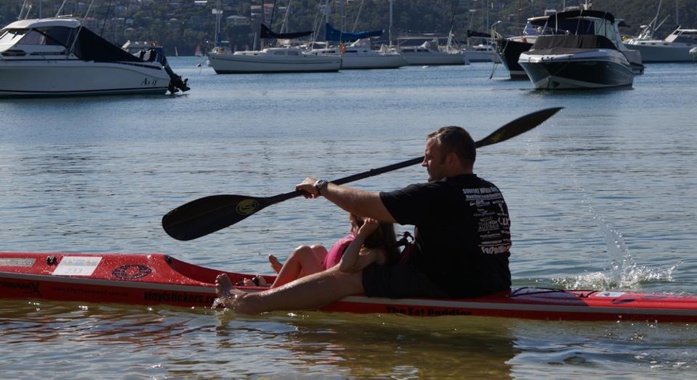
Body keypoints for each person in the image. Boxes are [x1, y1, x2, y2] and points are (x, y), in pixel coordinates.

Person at [215, 126, 512, 314]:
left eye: (429, 158)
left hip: (447, 285)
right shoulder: (490, 190)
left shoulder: (437, 194)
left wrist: (322, 188)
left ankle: (252, 303)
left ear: (451, 160)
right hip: (494, 281)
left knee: (345, 278)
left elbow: (370, 205)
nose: (424, 164)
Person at [242, 214, 400, 288]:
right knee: (317, 250)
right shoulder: (369, 248)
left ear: (366, 231)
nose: (349, 229)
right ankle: (290, 276)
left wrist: (361, 235)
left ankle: (270, 292)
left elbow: (346, 265)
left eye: (353, 225)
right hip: (328, 278)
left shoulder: (373, 253)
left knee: (303, 252)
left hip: (329, 287)